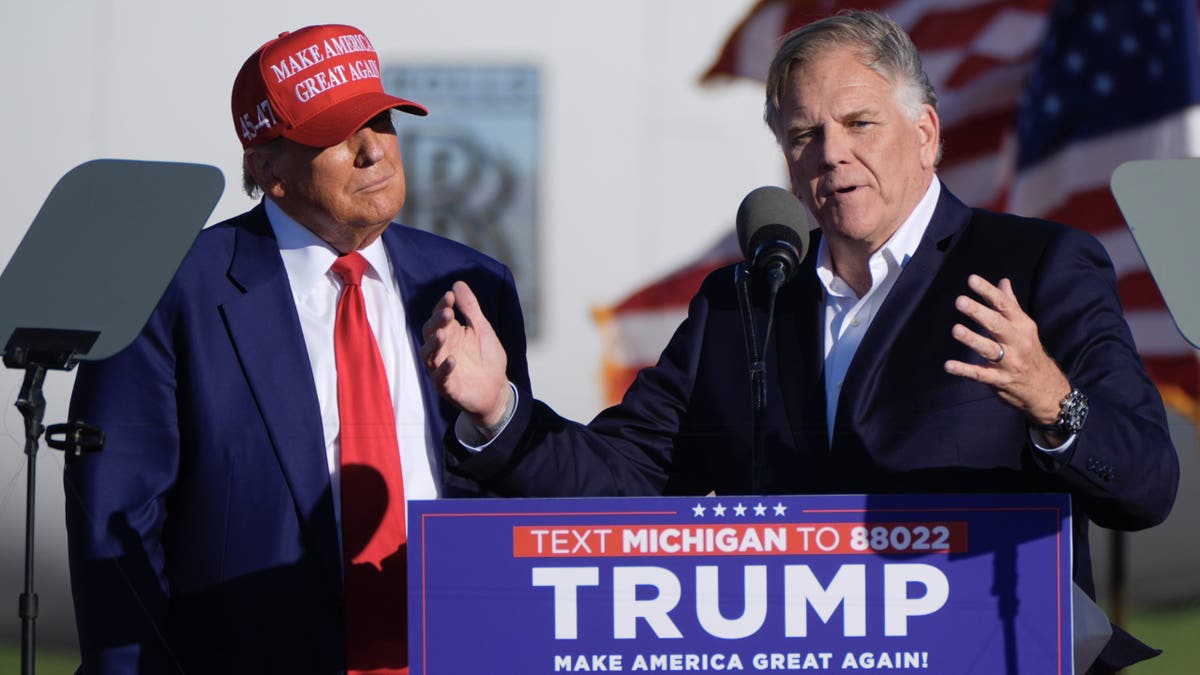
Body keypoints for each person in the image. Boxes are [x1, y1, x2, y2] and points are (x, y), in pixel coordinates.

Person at [422, 11, 1178, 674]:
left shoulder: (1036, 267)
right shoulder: (745, 302)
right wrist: (500, 413)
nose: (832, 154)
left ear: (925, 133)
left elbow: (1145, 483)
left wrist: (1055, 402)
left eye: (859, 123)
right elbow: (622, 477)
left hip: (993, 650)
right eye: (804, 133)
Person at [64, 23, 530, 675]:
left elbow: (509, 484)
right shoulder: (166, 291)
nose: (375, 150)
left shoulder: (473, 284)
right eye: (338, 135)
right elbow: (116, 527)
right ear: (266, 168)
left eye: (383, 121)